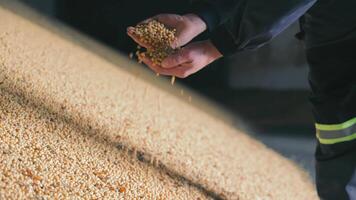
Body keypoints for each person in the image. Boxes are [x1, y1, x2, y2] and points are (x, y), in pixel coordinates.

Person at [127, 0, 356, 199]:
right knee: (340, 157)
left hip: (343, 46)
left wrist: (216, 46)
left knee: (343, 159)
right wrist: (203, 16)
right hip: (336, 42)